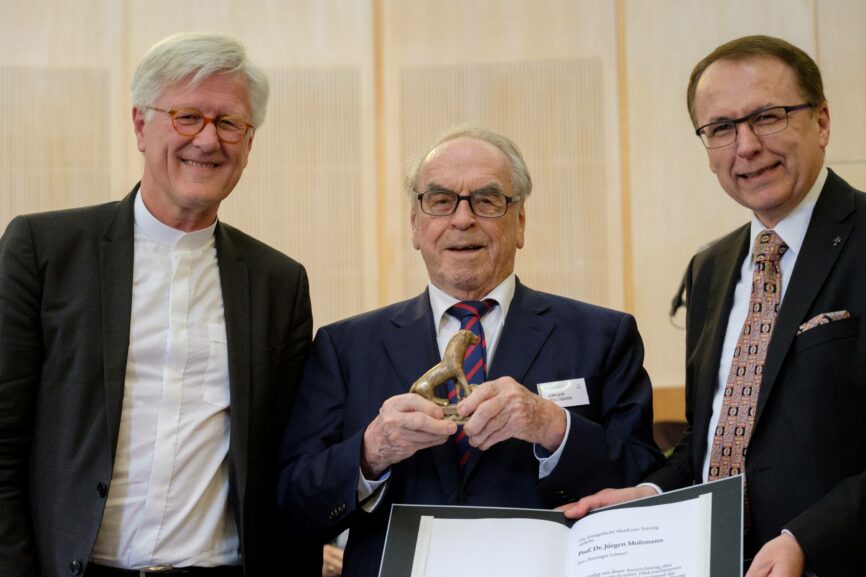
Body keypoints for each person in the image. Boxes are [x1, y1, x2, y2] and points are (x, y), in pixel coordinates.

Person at [277, 125, 663, 577]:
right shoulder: (345, 347)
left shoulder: (602, 335)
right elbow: (292, 503)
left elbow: (646, 483)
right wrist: (371, 451)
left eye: (487, 200)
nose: (463, 219)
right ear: (416, 226)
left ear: (519, 223)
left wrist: (552, 427)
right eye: (440, 201)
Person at [0, 32, 317, 576]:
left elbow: (285, 466)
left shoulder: (278, 283)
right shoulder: (44, 252)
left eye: (229, 123)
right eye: (187, 116)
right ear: (141, 125)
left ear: (249, 141)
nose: (208, 140)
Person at [562, 35, 866, 577]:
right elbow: (712, 441)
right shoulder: (711, 268)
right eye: (721, 129)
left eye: (767, 117)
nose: (745, 146)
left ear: (821, 121)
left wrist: (804, 540)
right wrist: (648, 494)